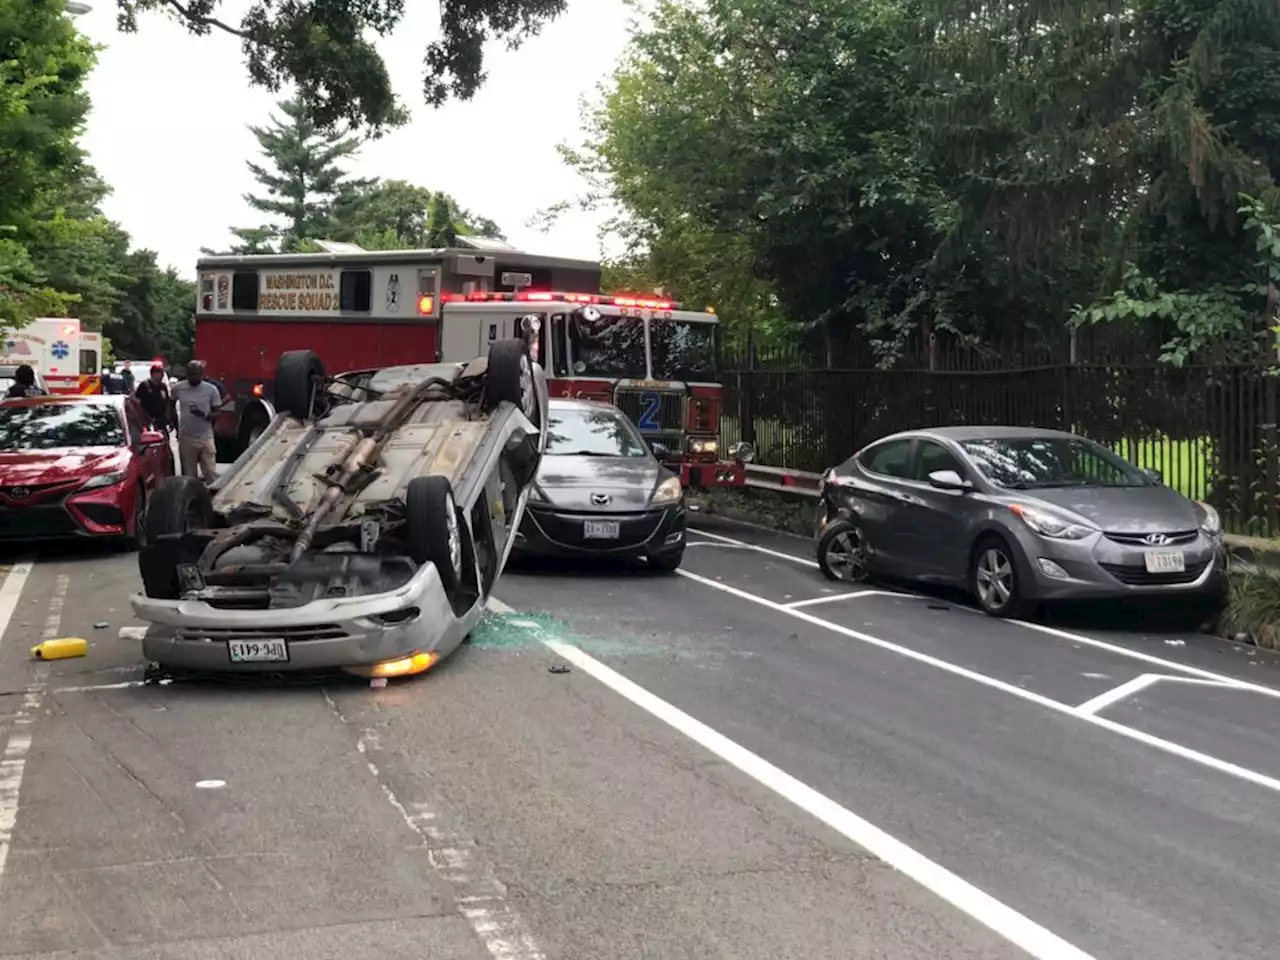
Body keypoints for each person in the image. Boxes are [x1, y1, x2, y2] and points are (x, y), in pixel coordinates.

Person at [169, 360, 225, 483]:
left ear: (202, 374)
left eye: (196, 374)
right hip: (186, 437)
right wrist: (173, 422)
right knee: (189, 476)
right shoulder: (179, 388)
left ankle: (214, 497)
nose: (193, 377)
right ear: (187, 374)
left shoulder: (211, 390)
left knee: (211, 472)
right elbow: (170, 404)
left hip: (205, 437)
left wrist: (204, 415)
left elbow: (218, 413)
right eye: (191, 374)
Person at [134, 363, 171, 433]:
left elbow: (167, 401)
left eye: (160, 373)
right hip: (148, 419)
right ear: (152, 374)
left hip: (161, 420)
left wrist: (168, 417)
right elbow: (137, 402)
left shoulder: (163, 386)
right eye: (157, 373)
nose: (159, 376)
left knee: (164, 438)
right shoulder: (144, 386)